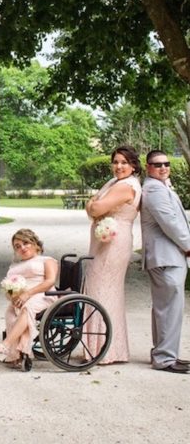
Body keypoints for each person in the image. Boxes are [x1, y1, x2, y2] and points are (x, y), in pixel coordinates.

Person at [83, 145, 141, 364]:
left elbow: (95, 209)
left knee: (103, 291)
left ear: (133, 165)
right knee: (101, 290)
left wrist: (92, 204)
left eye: (124, 162)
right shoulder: (114, 183)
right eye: (116, 162)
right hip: (104, 241)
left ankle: (104, 349)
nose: (119, 166)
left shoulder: (126, 186)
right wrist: (93, 206)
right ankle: (106, 347)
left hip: (114, 242)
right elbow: (93, 208)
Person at [141, 150, 190, 374]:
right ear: (148, 167)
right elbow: (169, 222)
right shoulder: (153, 189)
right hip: (166, 257)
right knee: (169, 308)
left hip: (168, 256)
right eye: (157, 164)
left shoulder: (161, 187)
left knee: (167, 307)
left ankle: (164, 353)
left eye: (166, 164)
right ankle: (164, 358)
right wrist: (188, 245)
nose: (163, 168)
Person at [0, 229, 58, 366]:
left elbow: (50, 281)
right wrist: (12, 296)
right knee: (10, 313)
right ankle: (15, 356)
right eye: (17, 246)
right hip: (21, 298)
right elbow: (9, 286)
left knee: (27, 309)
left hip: (43, 295)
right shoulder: (15, 266)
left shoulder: (47, 260)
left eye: (26, 243)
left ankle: (4, 345)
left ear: (36, 244)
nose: (22, 248)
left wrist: (28, 294)